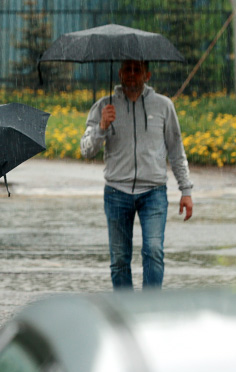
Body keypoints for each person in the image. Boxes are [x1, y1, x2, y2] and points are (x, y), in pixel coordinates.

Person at [80, 60, 193, 289]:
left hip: (154, 192)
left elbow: (176, 150)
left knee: (153, 250)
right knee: (120, 259)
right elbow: (86, 150)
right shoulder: (104, 106)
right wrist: (102, 126)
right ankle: (125, 311)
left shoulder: (163, 106)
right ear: (120, 73)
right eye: (127, 69)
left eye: (137, 70)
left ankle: (149, 311)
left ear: (147, 75)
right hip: (116, 192)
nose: (132, 74)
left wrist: (186, 190)